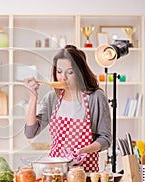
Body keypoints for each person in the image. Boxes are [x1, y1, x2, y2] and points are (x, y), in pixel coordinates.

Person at [24, 45, 111, 173]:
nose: (63, 78)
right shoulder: (52, 98)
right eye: (59, 72)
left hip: (84, 171)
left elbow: (106, 138)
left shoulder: (96, 98)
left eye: (70, 72)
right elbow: (30, 132)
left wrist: (84, 151)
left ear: (80, 72)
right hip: (56, 171)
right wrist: (33, 97)